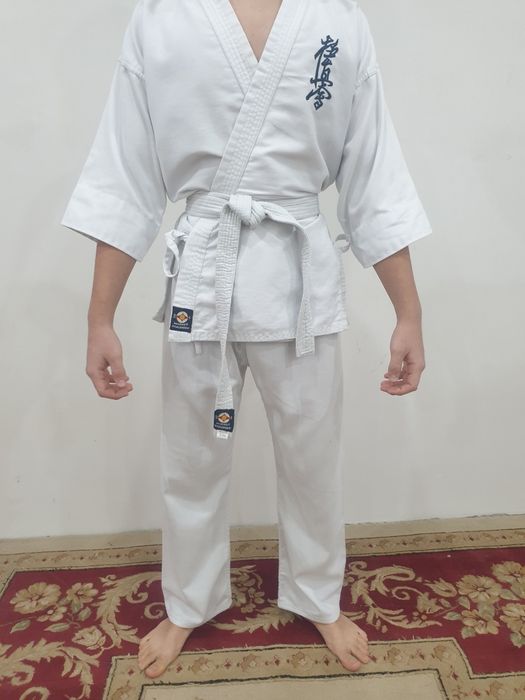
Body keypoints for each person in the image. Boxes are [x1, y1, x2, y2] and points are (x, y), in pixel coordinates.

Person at [61, 0, 432, 680]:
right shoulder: (161, 19)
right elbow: (126, 177)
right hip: (203, 280)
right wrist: (99, 318)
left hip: (302, 287)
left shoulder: (338, 20)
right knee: (192, 457)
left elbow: (374, 177)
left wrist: (407, 312)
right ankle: (188, 601)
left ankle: (317, 595)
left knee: (313, 458)